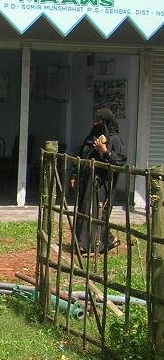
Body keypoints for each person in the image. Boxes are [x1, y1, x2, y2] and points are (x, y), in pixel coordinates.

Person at [70, 107, 127, 254]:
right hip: (87, 181)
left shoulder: (114, 139)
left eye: (99, 121)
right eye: (94, 121)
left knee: (97, 212)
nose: (96, 124)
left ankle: (95, 245)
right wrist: (75, 175)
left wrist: (105, 151)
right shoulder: (92, 137)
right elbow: (82, 156)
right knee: (84, 210)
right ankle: (83, 243)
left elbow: (119, 162)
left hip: (102, 184)